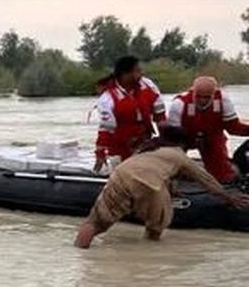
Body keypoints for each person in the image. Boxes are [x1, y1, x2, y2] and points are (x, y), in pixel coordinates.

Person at [75, 127, 249, 248]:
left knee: (94, 223)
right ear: (181, 144)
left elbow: (157, 170)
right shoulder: (179, 155)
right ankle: (150, 254)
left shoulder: (147, 149)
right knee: (155, 227)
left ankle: (79, 254)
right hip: (150, 184)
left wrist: (171, 189)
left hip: (119, 176)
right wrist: (229, 197)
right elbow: (206, 180)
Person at [165, 75, 249, 183]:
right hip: (184, 138)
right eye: (199, 96)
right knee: (171, 167)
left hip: (212, 138)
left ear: (214, 94)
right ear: (193, 92)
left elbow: (233, 127)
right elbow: (172, 136)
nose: (202, 100)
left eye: (207, 97)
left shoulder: (223, 100)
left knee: (223, 176)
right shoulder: (179, 104)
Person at [93, 56, 167, 172]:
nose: (141, 73)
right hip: (120, 148)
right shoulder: (107, 99)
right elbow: (105, 130)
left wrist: (166, 141)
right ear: (125, 74)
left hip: (144, 143)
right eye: (137, 71)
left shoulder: (148, 85)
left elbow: (160, 116)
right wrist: (100, 154)